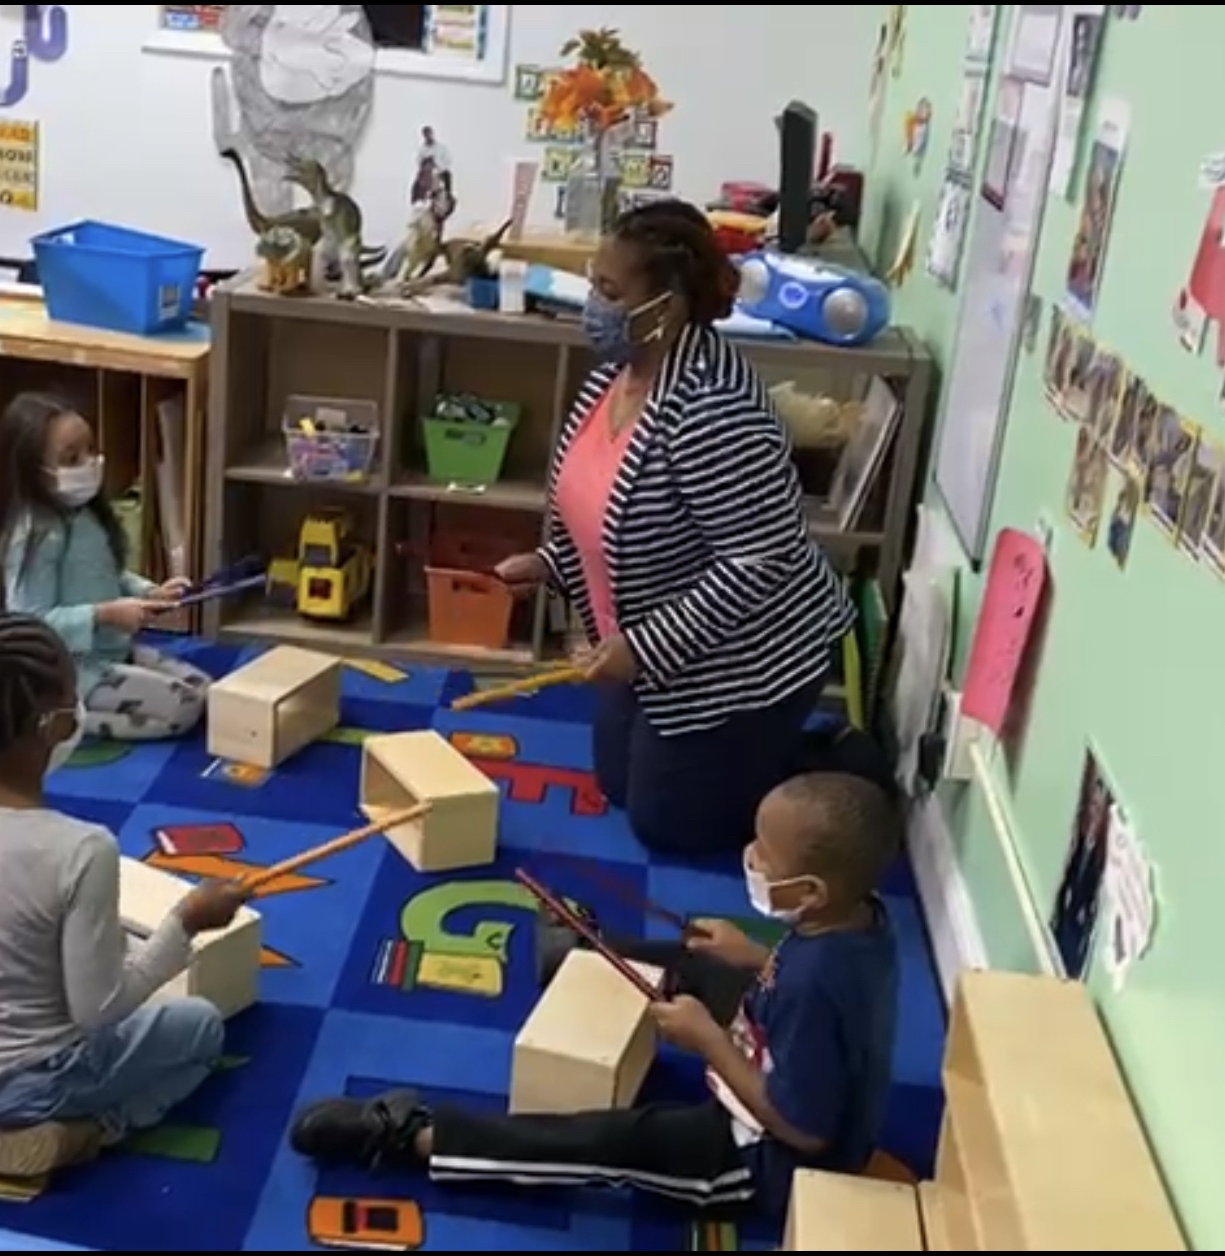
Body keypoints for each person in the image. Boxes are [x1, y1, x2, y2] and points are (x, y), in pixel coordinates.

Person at [288, 772, 900, 1221]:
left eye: (765, 854)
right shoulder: (857, 922)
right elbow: (805, 992)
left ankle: (416, 1138)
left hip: (764, 1161)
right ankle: (588, 953)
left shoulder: (818, 986)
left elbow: (806, 1131)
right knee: (704, 961)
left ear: (812, 890)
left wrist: (709, 1042)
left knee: (608, 1140)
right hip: (783, 1043)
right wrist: (755, 958)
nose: (753, 858)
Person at [494, 200, 854, 857]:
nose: (590, 304)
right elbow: (596, 497)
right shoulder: (616, 373)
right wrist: (551, 560)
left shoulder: (713, 410)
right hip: (653, 641)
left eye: (607, 290)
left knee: (670, 828)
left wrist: (648, 647)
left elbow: (759, 562)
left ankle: (827, 760)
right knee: (619, 785)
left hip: (743, 657)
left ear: (664, 307)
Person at [0, 612, 248, 1139]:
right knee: (199, 1027)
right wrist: (186, 921)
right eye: (71, 696)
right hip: (30, 1082)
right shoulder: (82, 849)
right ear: (50, 724)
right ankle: (89, 1132)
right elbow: (99, 1011)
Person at [0, 391, 211, 741]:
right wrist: (103, 615)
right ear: (31, 469)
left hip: (110, 651)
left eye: (90, 450)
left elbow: (106, 574)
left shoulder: (85, 513)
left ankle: (72, 706)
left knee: (206, 690)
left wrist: (150, 591)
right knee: (183, 709)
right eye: (71, 458)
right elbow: (30, 622)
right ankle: (57, 717)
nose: (90, 463)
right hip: (68, 670)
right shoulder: (34, 535)